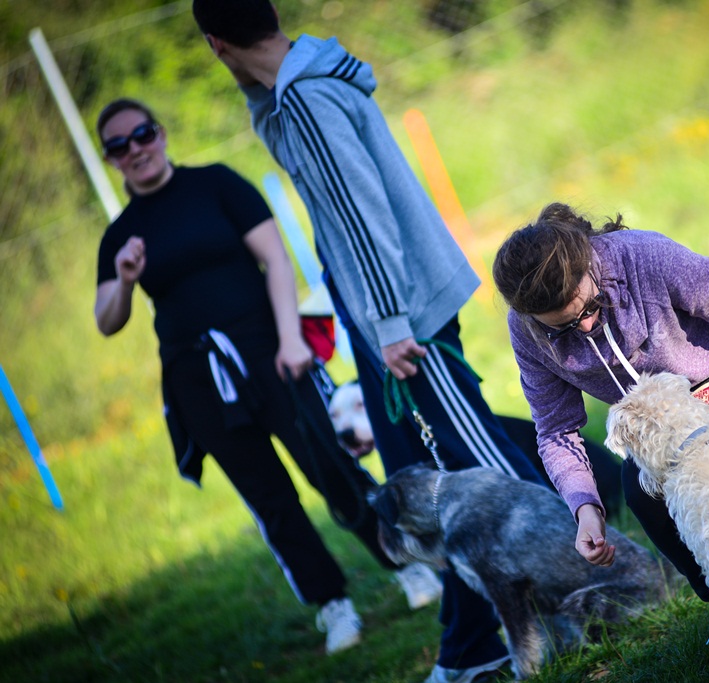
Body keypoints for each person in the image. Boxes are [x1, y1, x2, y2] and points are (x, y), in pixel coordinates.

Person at [190, 3, 547, 681]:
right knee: (419, 482)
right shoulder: (300, 86)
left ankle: (593, 577)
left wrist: (388, 325)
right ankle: (474, 646)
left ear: (216, 44)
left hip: (402, 316)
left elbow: (362, 221)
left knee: (480, 454)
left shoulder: (307, 100)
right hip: (377, 312)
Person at [92, 98, 443, 657]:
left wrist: (289, 338)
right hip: (196, 377)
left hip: (272, 350)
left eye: (141, 134)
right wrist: (126, 279)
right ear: (110, 159)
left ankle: (407, 567)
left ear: (159, 132)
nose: (135, 149)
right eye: (119, 144)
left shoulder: (215, 185)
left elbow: (277, 259)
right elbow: (107, 319)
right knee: (267, 496)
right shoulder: (121, 237)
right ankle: (333, 604)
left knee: (331, 461)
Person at [492, 202, 709, 646]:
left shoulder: (644, 257)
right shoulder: (527, 330)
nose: (584, 328)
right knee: (642, 495)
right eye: (562, 329)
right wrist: (585, 509)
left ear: (588, 263)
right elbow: (556, 431)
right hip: (660, 419)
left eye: (592, 309)